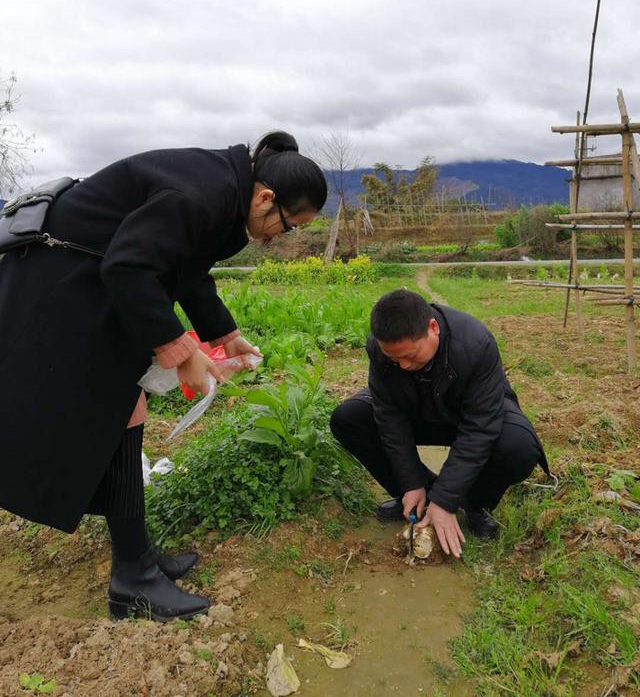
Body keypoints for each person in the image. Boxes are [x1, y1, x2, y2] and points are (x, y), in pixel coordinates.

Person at [0, 131, 326, 620]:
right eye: (289, 224)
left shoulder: (223, 195)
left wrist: (226, 334)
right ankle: (134, 576)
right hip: (60, 286)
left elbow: (187, 269)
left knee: (126, 411)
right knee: (112, 410)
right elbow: (129, 266)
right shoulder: (201, 194)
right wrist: (182, 350)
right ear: (265, 197)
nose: (285, 235)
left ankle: (137, 563)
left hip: (93, 283)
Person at [330, 289, 548, 558]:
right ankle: (417, 497)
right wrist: (411, 482)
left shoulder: (476, 344)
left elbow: (479, 428)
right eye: (394, 359)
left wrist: (447, 500)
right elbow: (389, 419)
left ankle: (473, 503)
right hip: (417, 411)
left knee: (520, 447)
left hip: (467, 415)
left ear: (433, 328)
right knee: (348, 418)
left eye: (410, 356)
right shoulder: (379, 349)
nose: (403, 366)